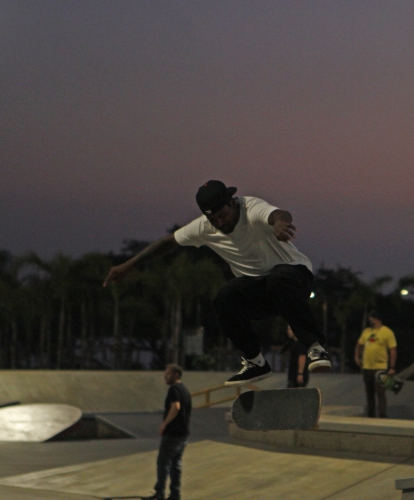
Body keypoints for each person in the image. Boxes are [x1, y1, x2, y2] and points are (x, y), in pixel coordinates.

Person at [104, 180, 331, 385]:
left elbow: (279, 214)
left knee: (279, 277)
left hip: (294, 278)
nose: (220, 223)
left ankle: (315, 347)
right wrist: (128, 265)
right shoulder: (204, 227)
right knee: (225, 297)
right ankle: (255, 362)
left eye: (223, 216)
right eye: (214, 220)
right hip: (259, 292)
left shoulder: (251, 208)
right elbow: (168, 242)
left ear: (231, 203)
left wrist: (280, 223)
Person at [149, 364, 192, 500]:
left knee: (163, 463)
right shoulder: (184, 389)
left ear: (176, 374)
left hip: (172, 433)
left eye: (168, 374)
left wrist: (164, 424)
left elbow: (176, 407)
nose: (165, 377)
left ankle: (160, 493)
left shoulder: (174, 389)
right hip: (183, 433)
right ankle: (175, 494)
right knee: (176, 464)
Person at [354, 310, 397, 418]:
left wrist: (392, 367)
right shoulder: (367, 331)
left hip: (380, 367)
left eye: (372, 319)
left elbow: (392, 350)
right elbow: (359, 344)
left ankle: (382, 414)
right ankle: (371, 413)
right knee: (369, 392)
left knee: (380, 392)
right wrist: (357, 357)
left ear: (377, 319)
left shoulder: (387, 332)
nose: (370, 321)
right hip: (367, 366)